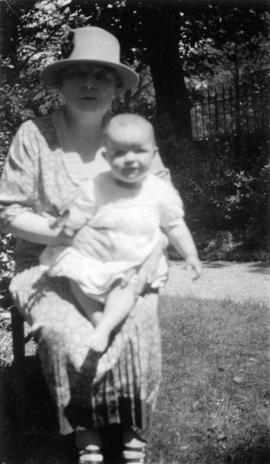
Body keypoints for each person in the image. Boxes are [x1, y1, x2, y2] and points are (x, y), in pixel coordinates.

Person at [0, 26, 200, 464]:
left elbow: (165, 201)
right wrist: (61, 233)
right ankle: (84, 430)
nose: (89, 84)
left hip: (127, 262)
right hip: (49, 264)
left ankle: (132, 429)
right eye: (78, 74)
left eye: (101, 75)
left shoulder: (129, 137)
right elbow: (8, 212)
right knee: (64, 330)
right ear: (61, 82)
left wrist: (157, 250)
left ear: (116, 87)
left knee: (137, 321)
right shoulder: (33, 136)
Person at [40, 113, 201, 354]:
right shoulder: (96, 185)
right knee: (74, 277)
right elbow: (79, 212)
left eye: (138, 151)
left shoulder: (159, 191)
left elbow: (175, 225)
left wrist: (190, 255)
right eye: (119, 153)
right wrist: (67, 220)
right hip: (97, 255)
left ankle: (105, 327)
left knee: (127, 285)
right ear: (106, 157)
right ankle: (97, 320)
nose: (130, 159)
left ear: (154, 155)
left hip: (134, 260)